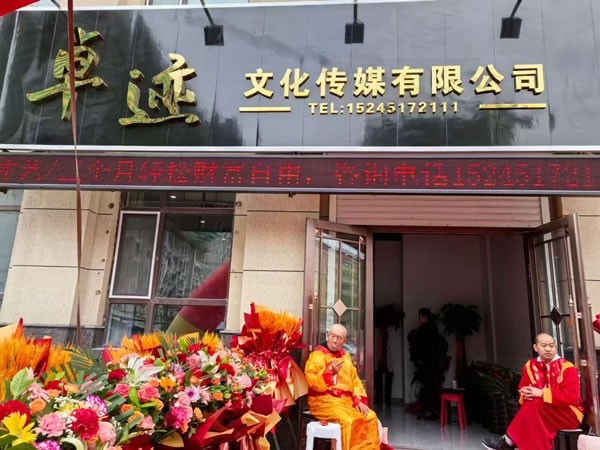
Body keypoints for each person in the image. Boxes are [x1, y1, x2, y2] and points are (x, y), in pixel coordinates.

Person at [482, 333, 584, 450]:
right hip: (540, 411)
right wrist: (526, 394)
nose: (548, 349)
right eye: (544, 345)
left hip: (569, 414)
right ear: (535, 347)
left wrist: (542, 393)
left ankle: (508, 440)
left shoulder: (567, 367)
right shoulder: (529, 366)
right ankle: (509, 442)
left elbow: (571, 397)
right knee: (534, 412)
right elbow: (523, 389)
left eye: (551, 346)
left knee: (535, 405)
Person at [304, 324, 391, 450]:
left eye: (339, 338)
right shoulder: (317, 355)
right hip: (324, 402)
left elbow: (355, 380)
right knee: (348, 421)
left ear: (344, 341)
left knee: (370, 417)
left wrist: (359, 401)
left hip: (346, 403)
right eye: (332, 336)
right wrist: (330, 371)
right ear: (327, 336)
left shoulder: (345, 356)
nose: (334, 340)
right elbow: (311, 380)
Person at [407, 308, 449, 420]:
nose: (419, 319)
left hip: (427, 364)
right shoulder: (434, 330)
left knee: (427, 387)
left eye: (420, 317)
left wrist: (418, 360)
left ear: (425, 318)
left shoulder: (424, 331)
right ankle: (432, 410)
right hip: (435, 365)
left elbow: (422, 349)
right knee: (432, 387)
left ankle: (428, 411)